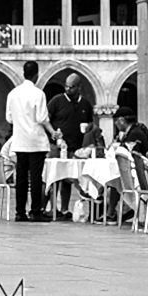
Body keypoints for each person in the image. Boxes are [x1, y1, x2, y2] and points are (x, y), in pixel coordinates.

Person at [6, 60, 56, 222]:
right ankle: (35, 211)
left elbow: (9, 118)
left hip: (20, 141)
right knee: (35, 178)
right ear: (36, 74)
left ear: (23, 74)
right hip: (36, 141)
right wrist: (53, 132)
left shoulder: (12, 94)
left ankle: (20, 211)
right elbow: (42, 118)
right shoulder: (38, 94)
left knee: (21, 178)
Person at [47, 73, 94, 219]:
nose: (68, 89)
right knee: (55, 177)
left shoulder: (85, 104)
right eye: (66, 86)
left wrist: (88, 129)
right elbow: (46, 120)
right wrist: (54, 134)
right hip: (57, 146)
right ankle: (53, 208)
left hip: (76, 148)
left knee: (68, 178)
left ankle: (65, 209)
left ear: (79, 87)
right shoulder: (57, 101)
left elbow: (91, 123)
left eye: (72, 87)